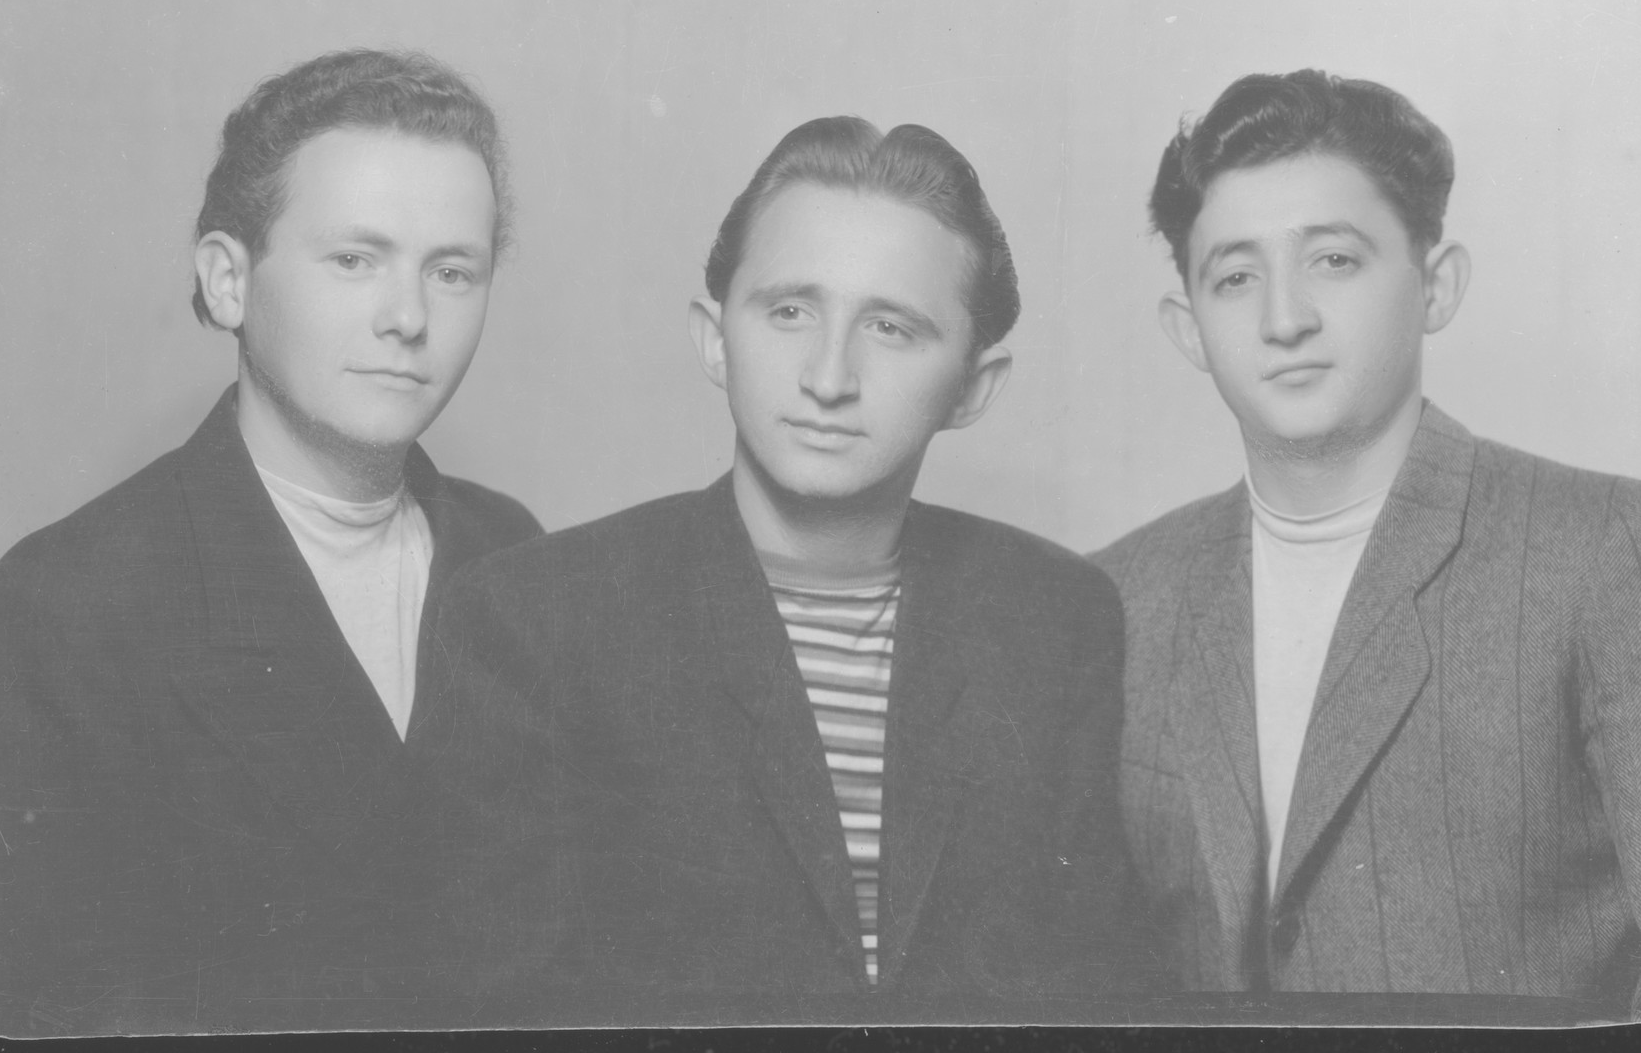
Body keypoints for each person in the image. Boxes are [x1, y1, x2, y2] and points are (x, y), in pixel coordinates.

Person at [438, 117, 1154, 1025]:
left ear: (974, 387)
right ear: (714, 337)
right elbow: (499, 1017)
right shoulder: (534, 620)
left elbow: (1100, 991)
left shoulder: (1055, 618)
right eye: (788, 311)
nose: (828, 374)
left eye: (892, 328)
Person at [0, 48, 541, 1036]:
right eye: (354, 260)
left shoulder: (515, 559)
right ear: (228, 281)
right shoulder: (61, 611)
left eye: (453, 271)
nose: (407, 317)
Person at [1092, 70, 1641, 1013]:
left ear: (1436, 287)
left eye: (1335, 261)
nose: (1284, 319)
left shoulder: (1617, 551)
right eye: (1237, 277)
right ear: (1189, 330)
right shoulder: (1116, 596)